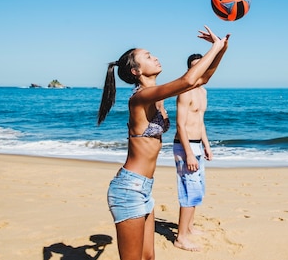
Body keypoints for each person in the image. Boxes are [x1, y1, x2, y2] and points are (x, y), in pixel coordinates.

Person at [97, 26, 229, 260]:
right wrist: (215, 46)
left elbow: (202, 78)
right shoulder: (140, 98)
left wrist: (221, 50)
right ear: (136, 71)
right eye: (148, 56)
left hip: (144, 188)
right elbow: (188, 78)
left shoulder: (155, 94)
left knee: (149, 257)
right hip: (129, 189)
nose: (155, 57)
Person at [172, 53, 213, 251]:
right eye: (196, 66)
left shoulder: (203, 92)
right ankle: (180, 237)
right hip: (184, 146)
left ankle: (188, 228)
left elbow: (200, 121)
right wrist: (188, 153)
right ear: (190, 69)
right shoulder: (185, 92)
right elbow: (180, 124)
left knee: (198, 189)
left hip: (197, 144)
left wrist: (206, 144)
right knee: (189, 191)